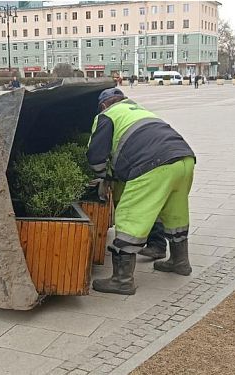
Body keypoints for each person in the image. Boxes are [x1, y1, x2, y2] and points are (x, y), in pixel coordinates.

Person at [87, 88, 196, 295]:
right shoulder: (140, 110)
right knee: (175, 214)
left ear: (103, 105)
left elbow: (96, 155)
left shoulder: (106, 116)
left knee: (130, 217)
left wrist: (102, 176)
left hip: (152, 165)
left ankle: (122, 280)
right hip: (184, 159)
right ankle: (180, 261)